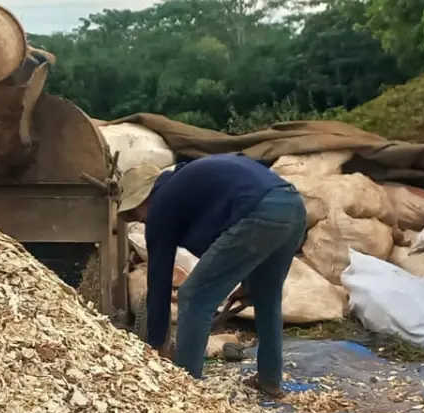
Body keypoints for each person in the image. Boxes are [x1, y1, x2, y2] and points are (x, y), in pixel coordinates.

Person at [118, 156, 307, 397]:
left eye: (136, 213)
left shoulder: (162, 204)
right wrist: (248, 284)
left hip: (261, 211)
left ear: (146, 198)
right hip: (292, 207)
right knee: (266, 297)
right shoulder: (188, 190)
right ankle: (270, 380)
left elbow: (159, 278)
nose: (140, 220)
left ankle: (187, 391)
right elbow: (233, 236)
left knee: (194, 297)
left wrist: (155, 343)